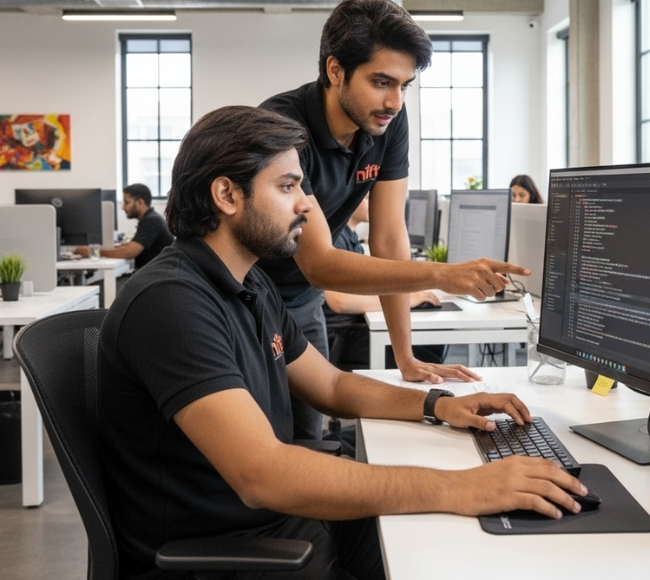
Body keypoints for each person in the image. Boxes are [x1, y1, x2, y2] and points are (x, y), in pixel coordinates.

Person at [96, 105, 587, 580]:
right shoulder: (173, 303)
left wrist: (438, 404)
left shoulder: (248, 282)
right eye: (287, 187)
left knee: (468, 544)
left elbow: (330, 385)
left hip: (276, 528)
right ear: (227, 194)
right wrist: (458, 487)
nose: (306, 204)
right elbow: (263, 473)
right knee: (454, 543)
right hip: (229, 554)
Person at [259, 0, 529, 438]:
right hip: (249, 295)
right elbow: (321, 261)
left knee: (310, 436)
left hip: (303, 299)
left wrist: (405, 357)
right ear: (335, 71)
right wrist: (440, 275)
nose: (395, 101)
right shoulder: (283, 128)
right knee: (268, 438)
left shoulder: (386, 123)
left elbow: (388, 237)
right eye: (382, 81)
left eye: (404, 85)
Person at [323, 194, 445, 370]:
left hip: (350, 327)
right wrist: (407, 299)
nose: (374, 203)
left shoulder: (349, 236)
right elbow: (338, 301)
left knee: (429, 341)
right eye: (366, 198)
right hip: (342, 335)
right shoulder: (337, 238)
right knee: (428, 350)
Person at [74, 183, 173, 269]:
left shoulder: (151, 220)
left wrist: (93, 252)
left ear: (140, 202)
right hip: (151, 274)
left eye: (126, 202)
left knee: (102, 287)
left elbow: (129, 252)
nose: (123, 207)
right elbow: (132, 246)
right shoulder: (150, 218)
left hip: (153, 278)